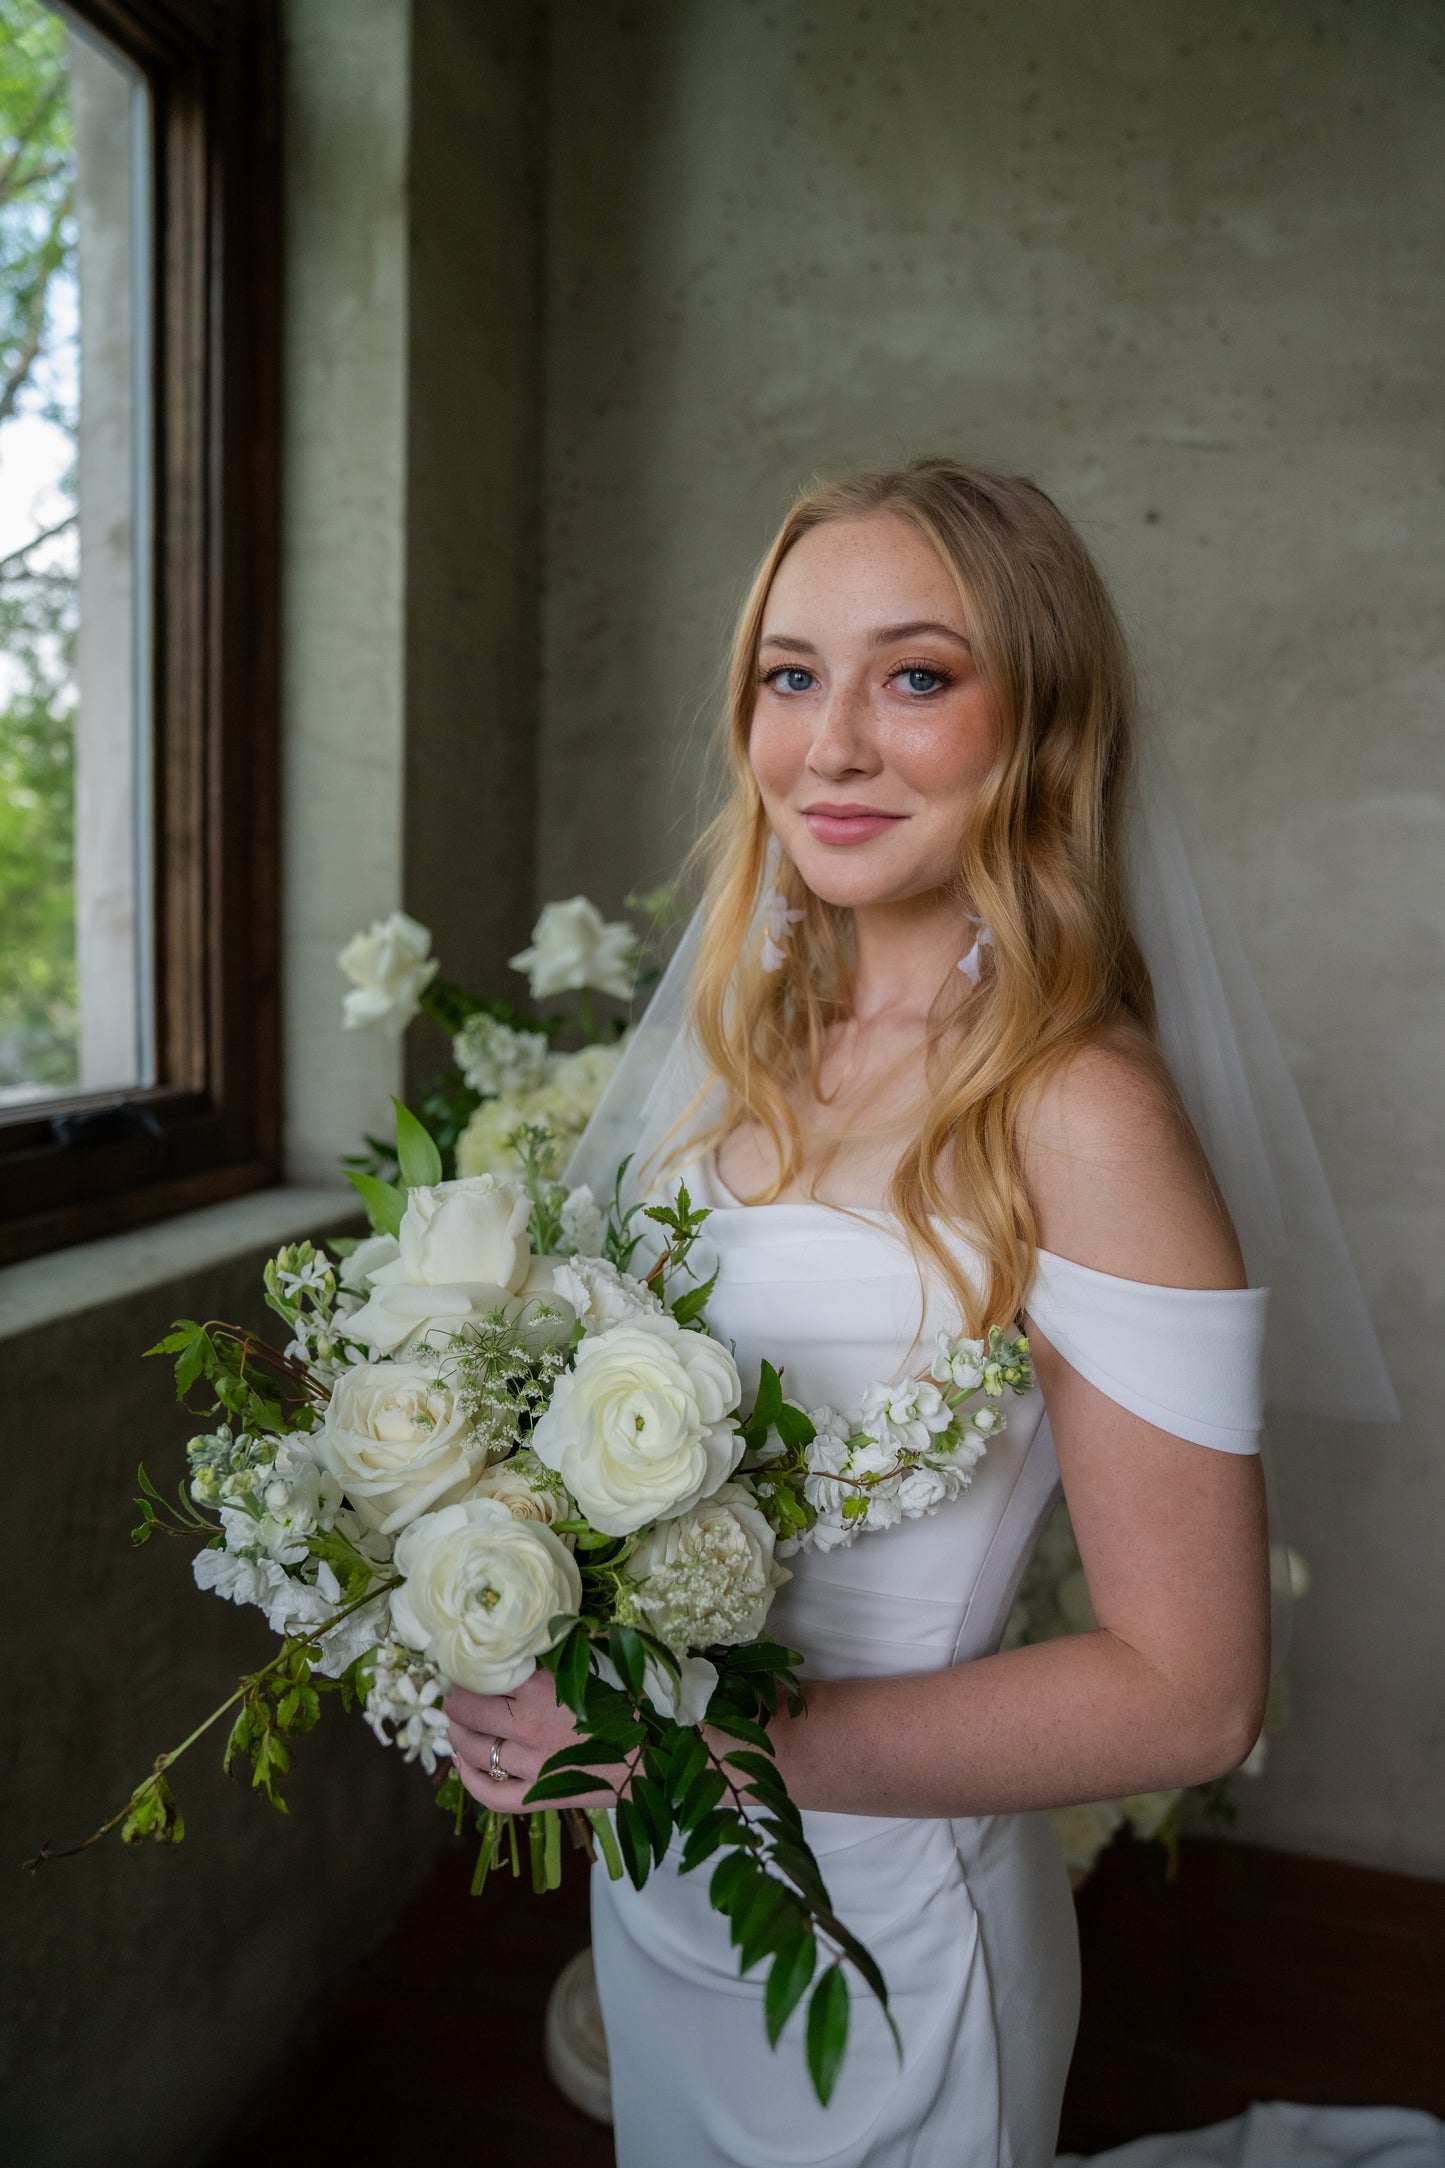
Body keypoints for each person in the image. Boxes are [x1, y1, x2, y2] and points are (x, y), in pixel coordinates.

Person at [444, 461, 1278, 2165]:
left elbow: (1191, 1698)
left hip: (884, 1933)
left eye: (914, 675)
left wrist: (686, 1733)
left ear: (1036, 719)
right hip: (674, 1886)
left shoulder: (1076, 1109)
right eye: (788, 673)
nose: (827, 744)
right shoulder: (733, 1057)